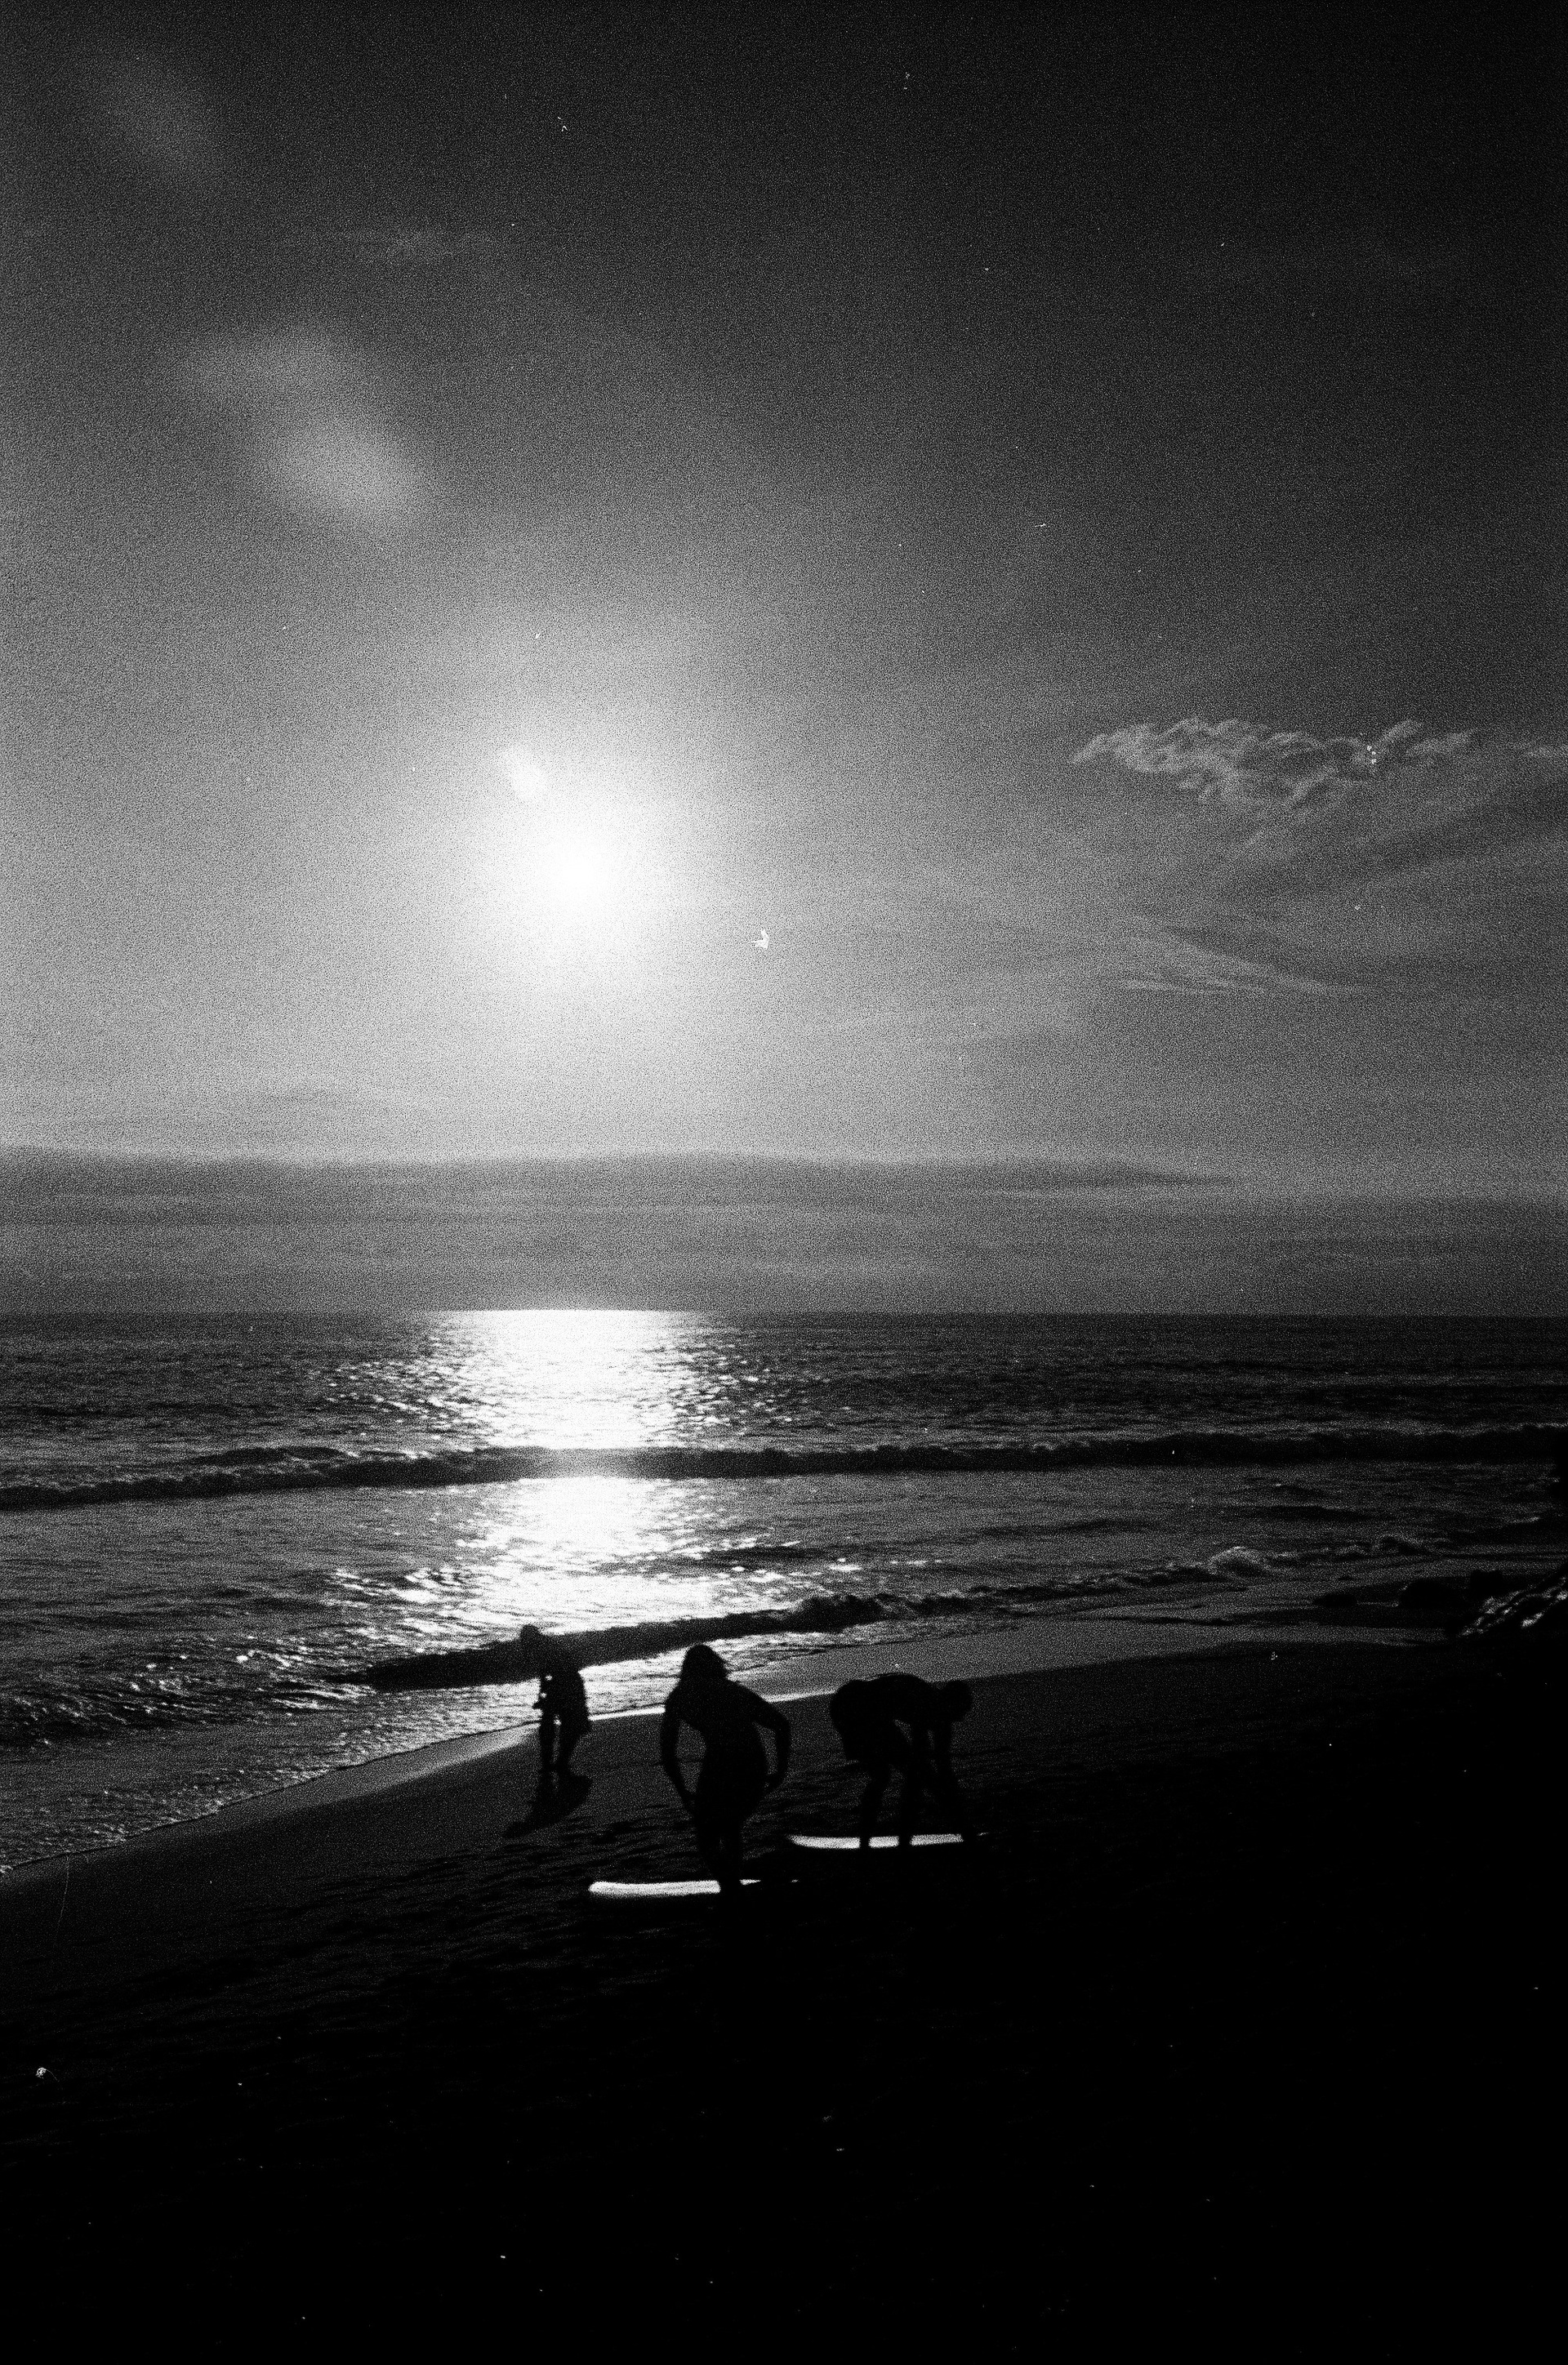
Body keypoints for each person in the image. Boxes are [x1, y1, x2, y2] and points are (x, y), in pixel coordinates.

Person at [659, 1644, 791, 1895]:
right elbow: (781, 1725)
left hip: (725, 1764)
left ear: (686, 1670)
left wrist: (682, 1791)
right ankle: (733, 1886)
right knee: (730, 1827)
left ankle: (730, 1888)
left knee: (708, 1838)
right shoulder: (733, 1691)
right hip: (752, 1763)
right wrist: (781, 1770)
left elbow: (668, 1751)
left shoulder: (681, 1697)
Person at [828, 1672, 975, 1846]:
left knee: (908, 1776)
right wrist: (959, 1817)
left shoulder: (942, 1717)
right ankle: (873, 1842)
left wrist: (958, 1814)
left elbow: (945, 1770)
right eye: (959, 1712)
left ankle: (900, 1840)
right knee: (884, 1776)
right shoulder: (923, 1703)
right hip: (849, 1706)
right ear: (949, 1703)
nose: (960, 1719)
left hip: (874, 1712)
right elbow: (922, 1769)